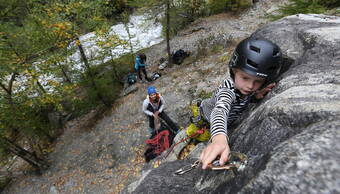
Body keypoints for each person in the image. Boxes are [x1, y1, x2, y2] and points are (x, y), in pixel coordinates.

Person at [199, 37, 283, 169]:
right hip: (208, 117)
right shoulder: (228, 90)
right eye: (245, 78)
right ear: (233, 71)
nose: (250, 86)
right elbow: (220, 110)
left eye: (258, 81)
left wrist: (255, 97)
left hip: (229, 120)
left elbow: (244, 98)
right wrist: (218, 138)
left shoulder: (247, 89)